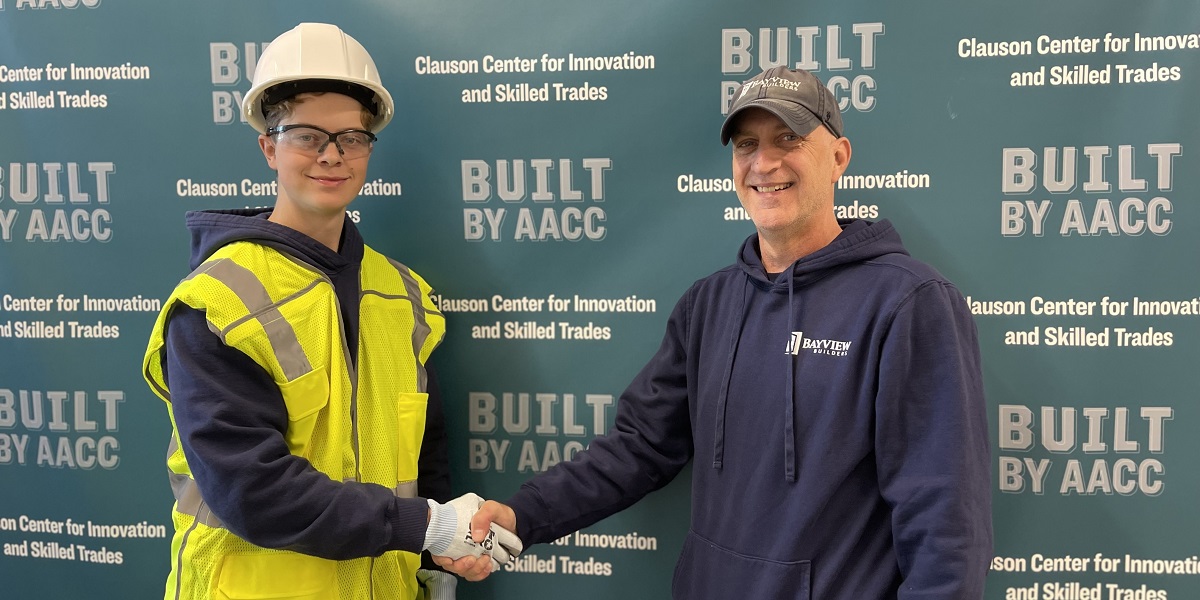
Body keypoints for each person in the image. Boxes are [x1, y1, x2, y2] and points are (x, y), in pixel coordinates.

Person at [439, 66, 992, 599]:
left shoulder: (908, 302)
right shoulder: (709, 303)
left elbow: (944, 519)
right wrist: (519, 515)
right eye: (746, 144)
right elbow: (638, 448)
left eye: (789, 138)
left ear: (838, 158)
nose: (764, 162)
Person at [142, 22, 517, 600]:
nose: (332, 155)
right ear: (268, 146)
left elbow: (426, 459)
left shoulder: (404, 295)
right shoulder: (217, 300)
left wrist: (443, 547)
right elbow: (252, 489)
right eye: (307, 135)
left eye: (351, 137)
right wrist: (424, 525)